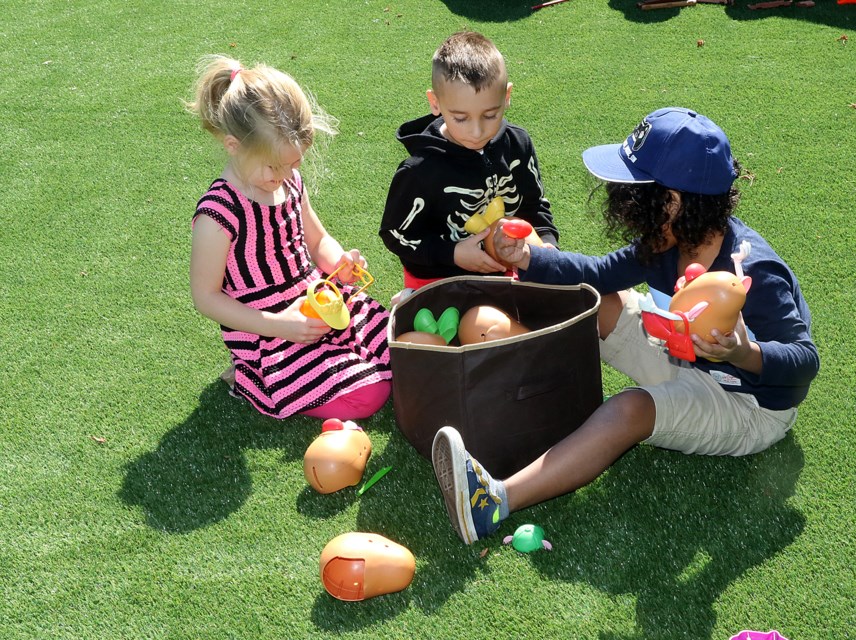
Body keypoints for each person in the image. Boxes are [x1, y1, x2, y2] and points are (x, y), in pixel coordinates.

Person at [431, 107, 819, 544]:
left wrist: (740, 352)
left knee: (628, 410)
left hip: (747, 402)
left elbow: (804, 362)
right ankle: (532, 408)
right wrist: (527, 258)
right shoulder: (667, 240)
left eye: (636, 188)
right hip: (682, 355)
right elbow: (596, 275)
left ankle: (493, 502)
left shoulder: (751, 271)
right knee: (594, 303)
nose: (622, 197)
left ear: (671, 201)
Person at [188, 56, 391, 421]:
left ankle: (339, 359)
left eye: (293, 165)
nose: (283, 176)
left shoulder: (289, 183)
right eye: (273, 166)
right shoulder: (218, 214)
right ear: (234, 145)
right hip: (267, 332)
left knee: (398, 344)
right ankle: (250, 379)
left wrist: (339, 261)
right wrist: (278, 325)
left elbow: (316, 241)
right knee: (370, 393)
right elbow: (206, 297)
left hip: (318, 302)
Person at [379, 31, 560, 298]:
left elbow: (535, 205)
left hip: (509, 264)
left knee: (555, 303)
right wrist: (452, 254)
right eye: (460, 118)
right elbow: (395, 233)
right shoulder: (419, 170)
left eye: (490, 115)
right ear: (435, 103)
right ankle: (416, 303)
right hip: (442, 275)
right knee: (490, 330)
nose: (476, 132)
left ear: (507, 96)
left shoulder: (517, 144)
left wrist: (547, 244)